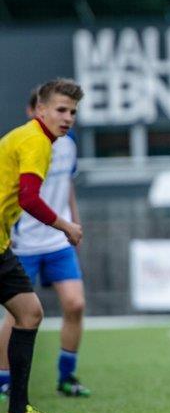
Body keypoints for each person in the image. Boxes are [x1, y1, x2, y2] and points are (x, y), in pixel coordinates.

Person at [0, 87, 90, 400]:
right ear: (40, 110)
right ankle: (5, 382)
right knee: (22, 314)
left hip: (38, 241)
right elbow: (27, 196)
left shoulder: (57, 144)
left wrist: (71, 225)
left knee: (38, 310)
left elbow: (63, 188)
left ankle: (46, 387)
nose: (67, 118)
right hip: (23, 242)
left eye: (73, 112)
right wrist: (65, 225)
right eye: (61, 110)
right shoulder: (34, 140)